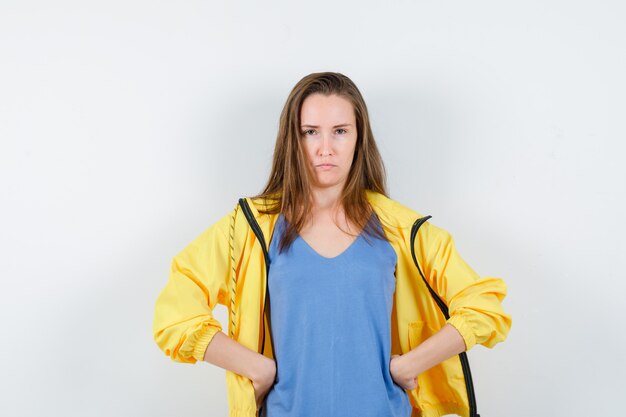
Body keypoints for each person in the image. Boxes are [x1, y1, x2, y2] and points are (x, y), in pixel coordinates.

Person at [152, 72, 512, 417]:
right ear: (293, 139)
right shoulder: (249, 229)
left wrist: (411, 364)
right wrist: (255, 367)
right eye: (311, 132)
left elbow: (484, 307)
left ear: (359, 137)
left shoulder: (403, 230)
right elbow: (174, 316)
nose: (325, 148)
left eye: (340, 131)